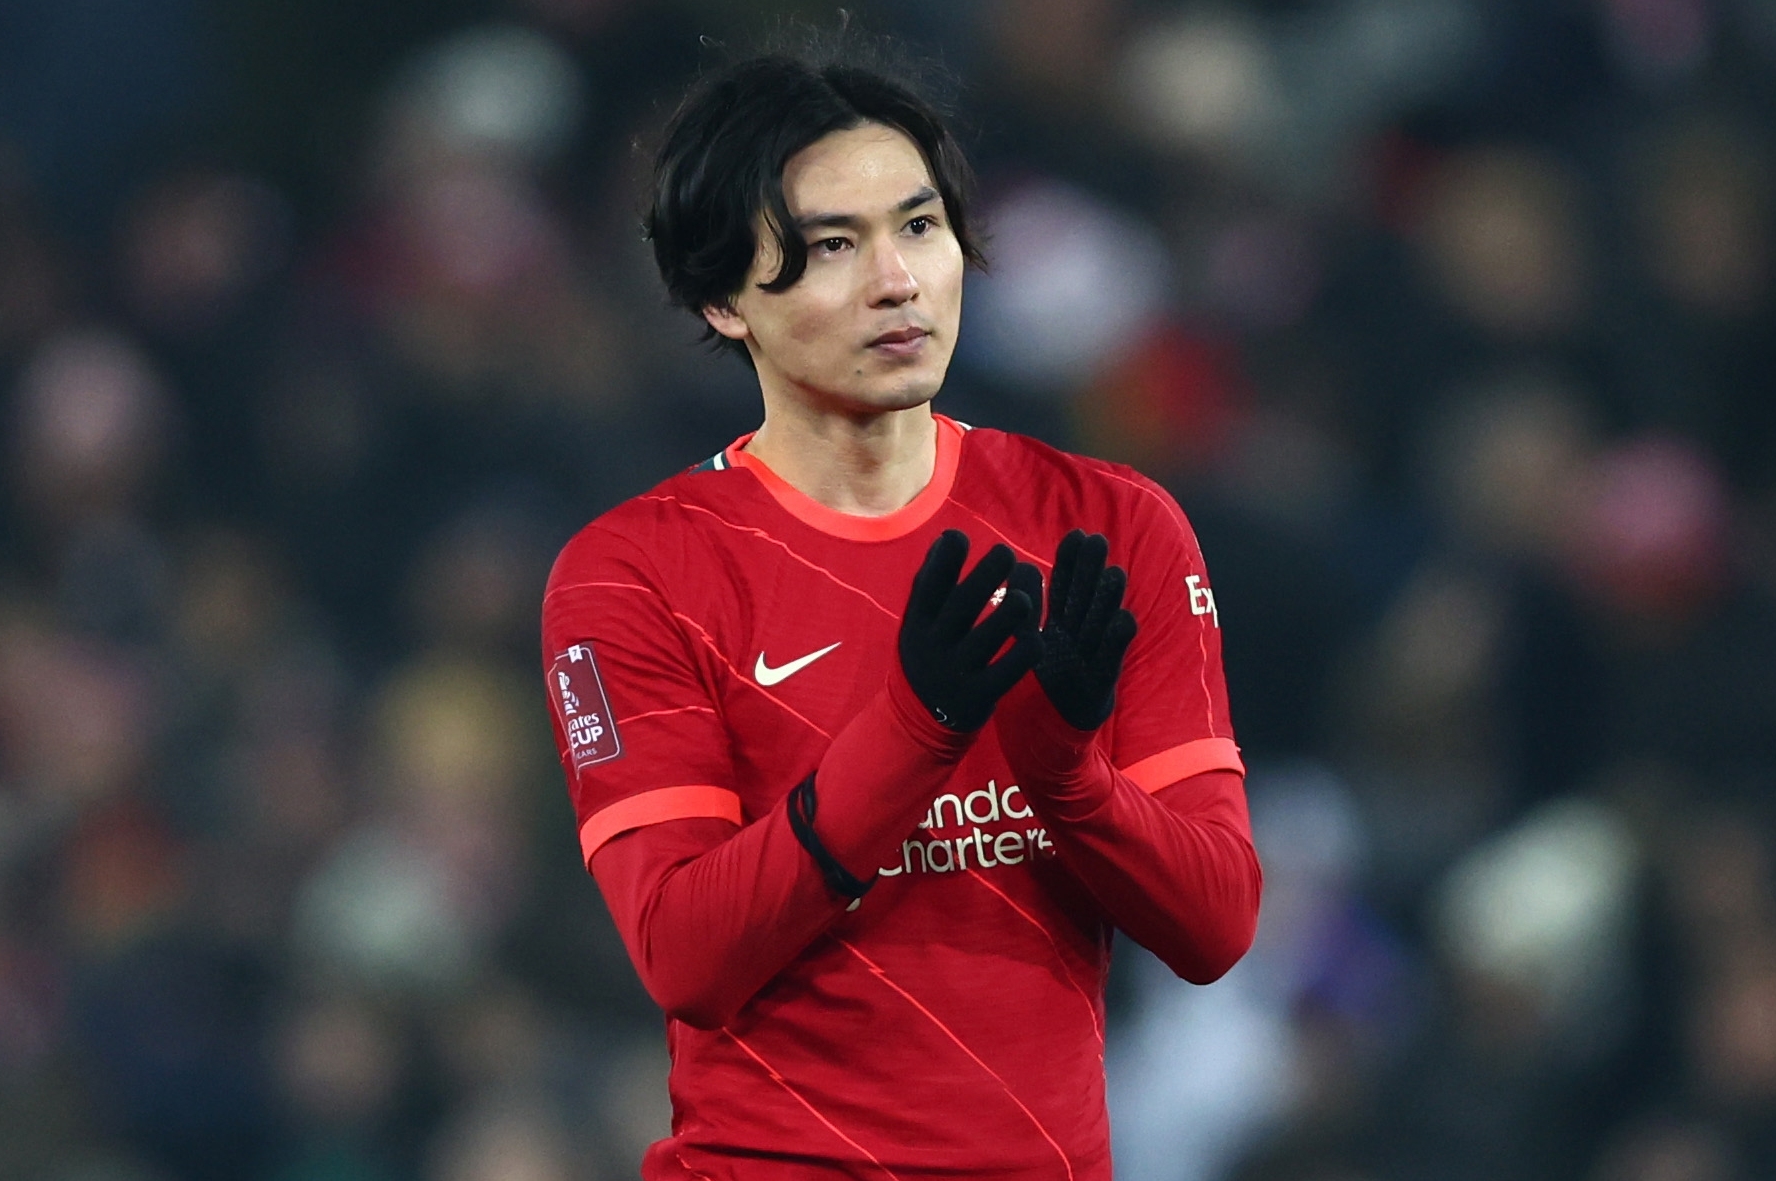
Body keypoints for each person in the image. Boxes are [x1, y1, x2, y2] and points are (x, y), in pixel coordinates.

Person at [539, 40, 1261, 1181]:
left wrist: (1067, 774)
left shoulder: (1108, 524)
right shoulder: (636, 571)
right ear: (722, 297)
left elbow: (1216, 924)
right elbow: (686, 955)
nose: (897, 280)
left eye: (920, 227)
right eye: (834, 245)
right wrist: (916, 731)